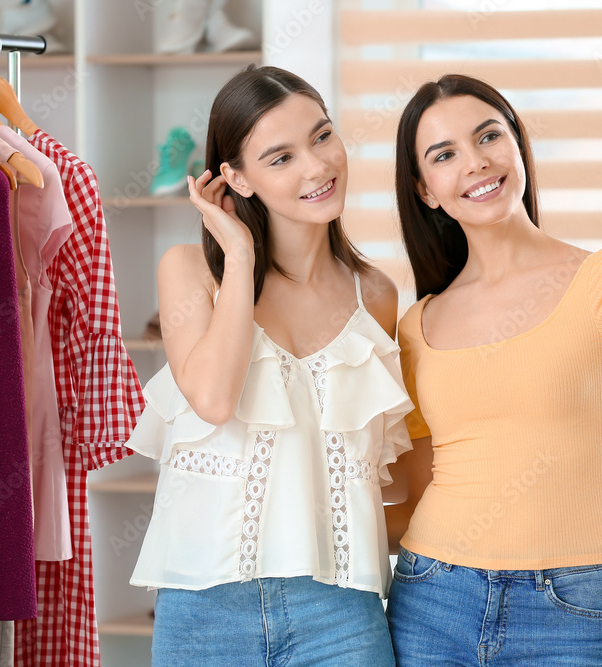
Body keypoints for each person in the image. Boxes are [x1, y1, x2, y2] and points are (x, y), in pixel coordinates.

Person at [384, 74, 602, 666]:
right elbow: (413, 497)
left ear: (518, 146)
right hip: (431, 592)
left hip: (570, 602)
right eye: (445, 154)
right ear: (427, 190)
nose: (475, 162)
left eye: (488, 136)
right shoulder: (416, 325)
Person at [125, 65, 412, 667]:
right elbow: (213, 398)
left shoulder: (377, 296)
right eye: (279, 157)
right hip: (204, 607)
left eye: (322, 136)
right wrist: (237, 253)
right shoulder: (190, 271)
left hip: (340, 611)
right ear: (236, 178)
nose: (316, 167)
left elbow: (392, 484)